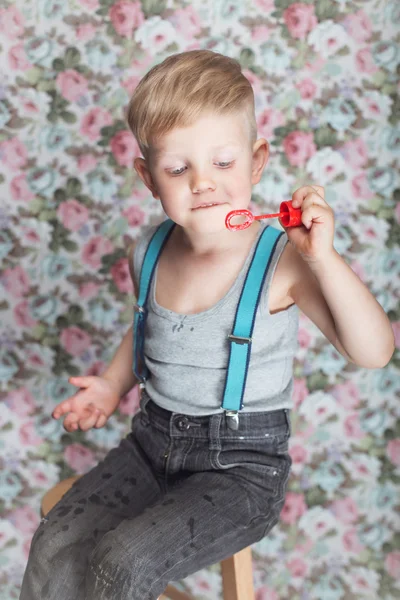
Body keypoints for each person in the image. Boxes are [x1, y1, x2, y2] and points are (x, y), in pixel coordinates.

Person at [20, 50, 395, 600]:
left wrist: (324, 259)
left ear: (256, 163)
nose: (203, 184)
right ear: (148, 178)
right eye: (178, 169)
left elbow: (374, 351)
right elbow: (150, 329)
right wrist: (110, 383)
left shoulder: (283, 262)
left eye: (223, 163)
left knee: (121, 563)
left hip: (240, 472)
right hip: (151, 446)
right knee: (54, 543)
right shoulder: (148, 251)